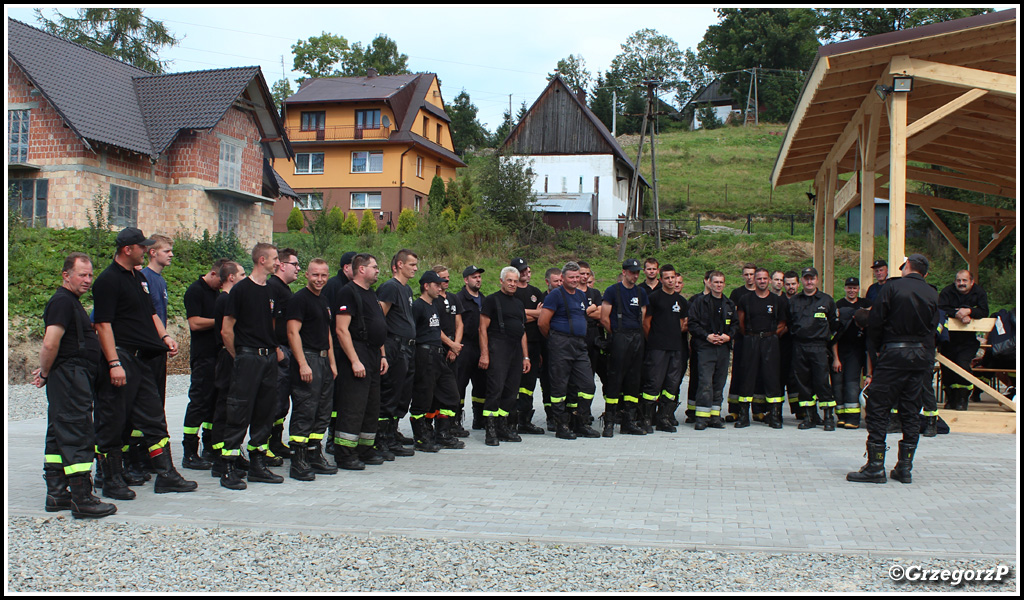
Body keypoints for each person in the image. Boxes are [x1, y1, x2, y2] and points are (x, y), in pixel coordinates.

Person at [92, 227, 196, 499]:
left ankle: (166, 475)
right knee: (113, 421)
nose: (145, 250)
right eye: (142, 247)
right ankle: (108, 477)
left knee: (153, 418)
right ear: (128, 249)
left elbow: (150, 313)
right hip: (122, 357)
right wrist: (114, 363)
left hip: (143, 359)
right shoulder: (108, 280)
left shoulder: (137, 277)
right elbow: (102, 324)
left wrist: (164, 335)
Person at [34, 253, 117, 518]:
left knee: (59, 433)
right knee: (78, 432)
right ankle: (83, 498)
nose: (88, 280)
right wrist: (46, 372)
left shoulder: (70, 302)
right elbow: (50, 342)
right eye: (82, 274)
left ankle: (57, 493)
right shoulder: (62, 302)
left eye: (90, 275)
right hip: (69, 375)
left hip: (70, 374)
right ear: (66, 275)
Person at [848, 254, 938, 485]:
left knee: (878, 406)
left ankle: (876, 466)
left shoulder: (892, 287)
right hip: (920, 356)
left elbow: (876, 321)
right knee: (910, 409)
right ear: (924, 273)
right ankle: (905, 467)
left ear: (907, 267)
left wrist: (877, 349)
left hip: (894, 353)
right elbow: (932, 328)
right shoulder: (932, 292)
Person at [219, 242, 284, 490]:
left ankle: (258, 464)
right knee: (239, 410)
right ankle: (228, 466)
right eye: (275, 259)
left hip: (268, 358)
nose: (278, 263)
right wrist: (241, 357)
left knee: (265, 411)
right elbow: (227, 330)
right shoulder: (240, 290)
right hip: (248, 357)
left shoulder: (271, 292)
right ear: (262, 260)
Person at [333, 253, 390, 468]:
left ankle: (365, 449)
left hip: (374, 354)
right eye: (374, 266)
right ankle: (345, 454)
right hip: (358, 352)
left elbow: (379, 326)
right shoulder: (348, 292)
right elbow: (341, 329)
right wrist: (355, 361)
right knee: (353, 405)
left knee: (371, 405)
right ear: (361, 269)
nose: (377, 270)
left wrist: (382, 354)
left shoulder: (371, 294)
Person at [285, 258, 339, 481]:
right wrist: (302, 364)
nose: (319, 279)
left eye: (323, 275)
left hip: (324, 361)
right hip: (307, 358)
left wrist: (332, 363)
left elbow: (327, 333)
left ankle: (314, 453)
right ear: (307, 275)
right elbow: (292, 332)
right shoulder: (299, 300)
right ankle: (298, 461)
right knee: (305, 409)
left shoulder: (324, 300)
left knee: (322, 411)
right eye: (315, 275)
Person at [538, 261, 597, 439]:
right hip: (561, 344)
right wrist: (556, 339)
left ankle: (580, 422)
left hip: (579, 345)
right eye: (571, 277)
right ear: (562, 278)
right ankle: (561, 425)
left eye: (577, 277)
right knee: (559, 386)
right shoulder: (555, 295)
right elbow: (542, 322)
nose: (575, 280)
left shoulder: (580, 295)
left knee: (587, 385)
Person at [409, 270, 466, 452]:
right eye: (436, 284)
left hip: (438, 355)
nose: (440, 287)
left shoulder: (434, 305)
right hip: (424, 354)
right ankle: (420, 437)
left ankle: (443, 433)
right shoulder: (418, 306)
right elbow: (413, 331)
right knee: (423, 397)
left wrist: (449, 346)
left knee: (451, 394)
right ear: (426, 286)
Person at [180, 258, 228, 470]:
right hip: (203, 356)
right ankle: (189, 450)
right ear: (213, 273)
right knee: (199, 402)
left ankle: (209, 446)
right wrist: (220, 320)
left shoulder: (216, 293)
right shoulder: (195, 291)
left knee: (214, 402)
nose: (222, 284)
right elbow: (194, 322)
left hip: (217, 355)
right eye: (221, 280)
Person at [478, 266, 531, 446]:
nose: (512, 284)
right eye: (509, 280)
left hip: (516, 348)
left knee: (511, 390)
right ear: (501, 281)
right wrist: (484, 354)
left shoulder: (518, 303)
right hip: (498, 346)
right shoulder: (492, 300)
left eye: (515, 281)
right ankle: (490, 430)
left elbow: (523, 331)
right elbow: (482, 328)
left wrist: (526, 357)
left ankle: (503, 426)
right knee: (495, 388)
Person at [376, 249, 419, 458]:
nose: (415, 268)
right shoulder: (390, 287)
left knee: (403, 395)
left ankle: (392, 433)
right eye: (412, 264)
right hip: (394, 346)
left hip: (408, 348)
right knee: (390, 394)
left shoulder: (407, 289)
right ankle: (382, 439)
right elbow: (379, 318)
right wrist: (382, 350)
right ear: (399, 264)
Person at [600, 258, 649, 436]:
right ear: (624, 272)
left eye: (637, 272)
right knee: (615, 379)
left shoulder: (641, 292)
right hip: (619, 337)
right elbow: (604, 317)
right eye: (631, 272)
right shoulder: (613, 290)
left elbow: (642, 316)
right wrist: (616, 334)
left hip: (637, 338)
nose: (635, 275)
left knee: (634, 380)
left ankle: (629, 421)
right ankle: (610, 422)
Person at [788, 267, 840, 431]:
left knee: (822, 382)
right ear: (802, 281)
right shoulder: (794, 301)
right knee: (802, 383)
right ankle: (809, 417)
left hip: (819, 347)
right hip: (799, 346)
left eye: (812, 278)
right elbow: (789, 323)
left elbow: (835, 326)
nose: (809, 281)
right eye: (806, 278)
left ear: (817, 280)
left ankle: (828, 417)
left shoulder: (826, 300)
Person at [735, 268, 788, 429]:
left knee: (772, 378)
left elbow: (782, 323)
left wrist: (770, 336)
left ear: (770, 281)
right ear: (754, 280)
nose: (762, 281)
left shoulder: (777, 300)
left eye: (765, 279)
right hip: (750, 340)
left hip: (770, 341)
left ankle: (774, 415)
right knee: (747, 377)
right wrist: (752, 336)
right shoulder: (746, 299)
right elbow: (741, 323)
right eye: (759, 279)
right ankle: (743, 416)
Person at [208, 261, 245, 478]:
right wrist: (236, 357)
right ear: (230, 277)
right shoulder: (225, 299)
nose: (244, 276)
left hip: (230, 356)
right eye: (241, 274)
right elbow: (225, 332)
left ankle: (231, 452)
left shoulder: (229, 298)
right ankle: (221, 458)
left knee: (233, 407)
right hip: (227, 357)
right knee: (225, 407)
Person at [687, 271, 738, 430]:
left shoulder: (729, 304)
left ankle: (715, 416)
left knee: (719, 382)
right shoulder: (700, 302)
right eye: (715, 282)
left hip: (722, 348)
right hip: (705, 347)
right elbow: (693, 324)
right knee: (705, 382)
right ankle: (701, 418)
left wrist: (728, 337)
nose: (718, 285)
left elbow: (735, 325)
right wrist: (707, 336)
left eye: (721, 282)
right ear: (709, 283)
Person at [641, 264, 688, 433]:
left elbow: (682, 324)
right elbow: (646, 323)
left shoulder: (681, 301)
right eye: (666, 278)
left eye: (672, 277)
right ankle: (647, 418)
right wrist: (654, 340)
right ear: (661, 280)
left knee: (672, 384)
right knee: (653, 383)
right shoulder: (654, 298)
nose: (670, 280)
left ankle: (664, 418)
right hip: (657, 348)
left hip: (675, 348)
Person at [266, 248, 301, 462]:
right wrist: (275, 347)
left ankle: (276, 442)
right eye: (295, 264)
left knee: (282, 403)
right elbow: (267, 321)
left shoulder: (285, 289)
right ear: (281, 264)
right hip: (278, 351)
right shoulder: (272, 288)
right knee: (274, 401)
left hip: (287, 351)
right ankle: (265, 445)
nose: (298, 268)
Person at [938, 270, 989, 411]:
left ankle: (963, 398)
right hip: (948, 340)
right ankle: (950, 397)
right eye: (958, 280)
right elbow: (941, 308)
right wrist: (957, 314)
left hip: (968, 341)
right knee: (947, 369)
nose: (961, 283)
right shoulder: (947, 292)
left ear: (971, 282)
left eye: (964, 281)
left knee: (962, 364)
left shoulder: (979, 292)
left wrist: (969, 312)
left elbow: (984, 311)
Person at [432, 265, 469, 438]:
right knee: (435, 391)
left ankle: (450, 425)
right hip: (438, 349)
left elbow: (459, 323)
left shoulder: (454, 298)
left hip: (454, 350)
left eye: (448, 277)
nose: (447, 281)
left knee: (452, 389)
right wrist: (449, 344)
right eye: (443, 278)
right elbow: (434, 326)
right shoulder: (432, 300)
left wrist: (456, 345)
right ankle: (432, 427)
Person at [511, 258, 547, 435]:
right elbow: (513, 314)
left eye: (527, 269)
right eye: (522, 270)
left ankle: (525, 420)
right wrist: (533, 314)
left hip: (534, 343)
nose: (526, 273)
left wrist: (524, 314)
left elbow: (542, 316)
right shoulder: (512, 291)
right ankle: (511, 420)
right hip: (514, 344)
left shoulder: (536, 292)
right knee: (514, 383)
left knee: (529, 384)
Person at [833, 277, 871, 429]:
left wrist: (869, 373)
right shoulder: (840, 308)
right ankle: (841, 416)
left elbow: (870, 347)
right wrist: (836, 359)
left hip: (857, 352)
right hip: (841, 350)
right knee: (837, 384)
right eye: (849, 287)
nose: (852, 290)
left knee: (851, 383)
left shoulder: (867, 305)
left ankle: (853, 418)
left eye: (855, 287)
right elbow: (834, 338)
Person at [140, 234, 174, 405]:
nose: (171, 255)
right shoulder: (143, 278)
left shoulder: (161, 281)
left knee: (159, 394)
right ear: (152, 252)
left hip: (159, 345)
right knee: (147, 396)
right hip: (146, 347)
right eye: (166, 251)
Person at [572, 261, 605, 435]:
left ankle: (586, 411)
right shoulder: (572, 293)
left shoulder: (595, 293)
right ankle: (574, 414)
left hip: (593, 336)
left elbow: (601, 313)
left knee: (589, 376)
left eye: (587, 274)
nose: (584, 277)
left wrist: (588, 311)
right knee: (575, 378)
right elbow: (575, 313)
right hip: (576, 336)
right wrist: (589, 311)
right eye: (581, 274)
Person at [455, 266, 487, 430]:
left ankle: (479, 419)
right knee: (460, 384)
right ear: (466, 280)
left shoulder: (484, 299)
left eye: (479, 277)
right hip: (465, 347)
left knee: (481, 385)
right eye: (474, 277)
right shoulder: (459, 299)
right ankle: (456, 420)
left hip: (481, 348)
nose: (478, 279)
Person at [727, 263, 757, 423]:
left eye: (752, 274)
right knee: (738, 373)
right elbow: (733, 316)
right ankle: (734, 410)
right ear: (742, 276)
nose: (749, 277)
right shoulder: (737, 293)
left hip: (759, 340)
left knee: (758, 375)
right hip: (741, 339)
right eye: (746, 274)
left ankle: (758, 410)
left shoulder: (763, 294)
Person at [780, 270, 802, 420]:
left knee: (799, 378)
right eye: (787, 284)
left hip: (799, 344)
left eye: (793, 283)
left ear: (798, 284)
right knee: (779, 378)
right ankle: (775, 412)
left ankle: (800, 410)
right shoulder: (779, 301)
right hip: (780, 344)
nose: (790, 287)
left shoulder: (803, 300)